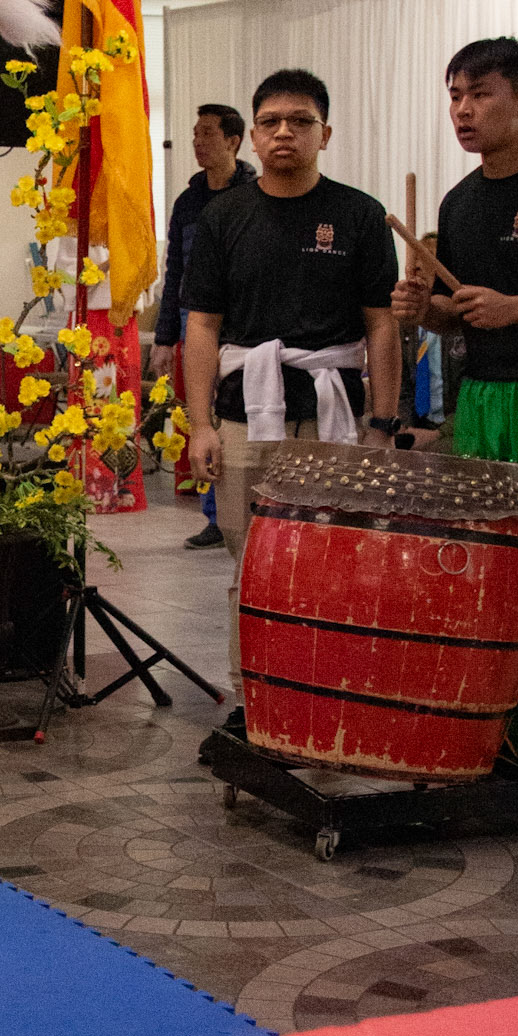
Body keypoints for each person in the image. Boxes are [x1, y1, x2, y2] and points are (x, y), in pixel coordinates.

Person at [392, 37, 518, 818]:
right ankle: (495, 745)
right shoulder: (457, 203)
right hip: (481, 403)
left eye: (480, 94)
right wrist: (428, 310)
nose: (462, 110)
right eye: (454, 95)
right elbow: (461, 314)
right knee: (485, 579)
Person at [182, 67, 401, 707]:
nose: (285, 132)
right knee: (252, 561)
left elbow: (381, 326)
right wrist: (199, 425)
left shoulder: (358, 215)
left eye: (301, 121)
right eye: (271, 122)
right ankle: (256, 701)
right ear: (252, 136)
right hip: (244, 416)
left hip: (334, 416)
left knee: (334, 561)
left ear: (324, 134)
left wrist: (383, 425)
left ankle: (327, 697)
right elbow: (202, 326)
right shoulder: (223, 217)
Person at [150, 103, 255, 549]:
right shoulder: (188, 202)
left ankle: (249, 510)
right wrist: (163, 338)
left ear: (233, 141)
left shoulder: (252, 195)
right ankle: (215, 515)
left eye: (207, 133)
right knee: (202, 415)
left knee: (237, 415)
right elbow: (174, 270)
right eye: (195, 134)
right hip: (194, 319)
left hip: (242, 321)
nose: (197, 142)